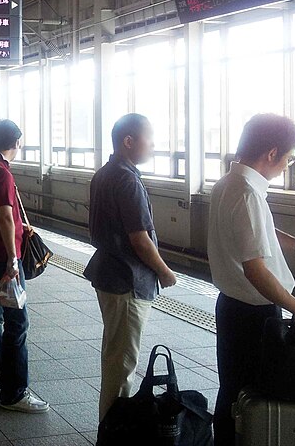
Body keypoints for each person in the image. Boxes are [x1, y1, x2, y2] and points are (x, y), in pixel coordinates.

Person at [207, 114, 295, 444]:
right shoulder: (246, 192)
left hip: (233, 308)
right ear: (272, 153)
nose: (287, 165)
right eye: (288, 157)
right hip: (252, 314)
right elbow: (256, 270)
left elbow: (255, 232)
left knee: (232, 388)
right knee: (247, 395)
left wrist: (293, 242)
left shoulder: (229, 183)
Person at [84, 113, 177, 422]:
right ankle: (113, 433)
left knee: (115, 355)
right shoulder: (126, 178)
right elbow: (139, 239)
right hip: (126, 279)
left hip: (109, 274)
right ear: (129, 141)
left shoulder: (105, 173)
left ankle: (110, 428)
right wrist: (164, 271)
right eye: (149, 139)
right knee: (122, 364)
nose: (153, 146)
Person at [0, 119, 49, 414]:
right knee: (17, 322)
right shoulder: (2, 174)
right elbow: (5, 217)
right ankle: (14, 393)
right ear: (17, 141)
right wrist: (13, 258)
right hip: (3, 258)